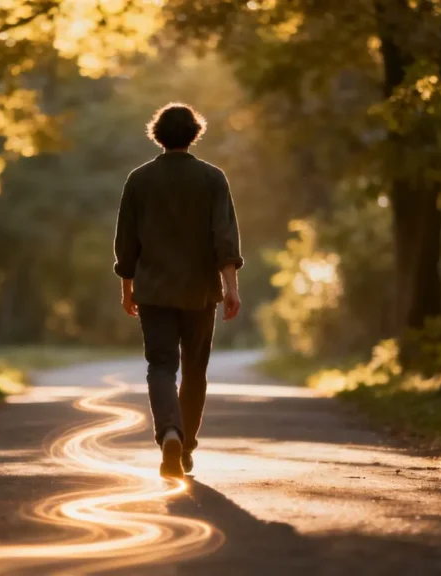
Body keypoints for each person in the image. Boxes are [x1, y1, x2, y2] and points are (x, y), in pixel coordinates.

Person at [113, 103, 244, 479]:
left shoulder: (139, 179)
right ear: (194, 134)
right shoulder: (213, 178)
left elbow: (126, 243)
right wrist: (231, 287)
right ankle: (185, 447)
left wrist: (127, 287)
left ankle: (169, 431)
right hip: (200, 293)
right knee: (195, 370)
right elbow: (225, 236)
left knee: (161, 366)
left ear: (157, 135)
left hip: (153, 291)